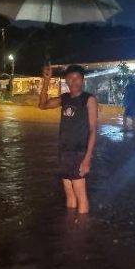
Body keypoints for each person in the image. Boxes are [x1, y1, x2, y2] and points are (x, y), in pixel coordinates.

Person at [39, 64, 98, 214]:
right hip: (64, 151)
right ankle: (70, 227)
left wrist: (87, 159)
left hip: (79, 152)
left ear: (83, 80)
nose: (74, 81)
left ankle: (81, 231)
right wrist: (46, 80)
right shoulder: (64, 98)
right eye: (70, 78)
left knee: (80, 194)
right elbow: (43, 105)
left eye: (77, 78)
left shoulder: (88, 99)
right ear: (66, 80)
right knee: (68, 190)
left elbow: (93, 129)